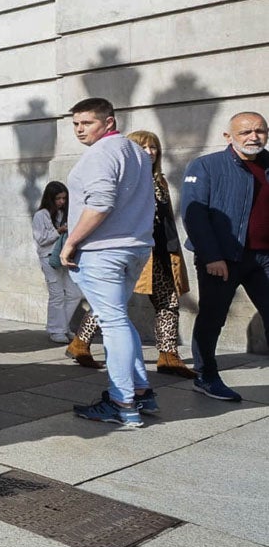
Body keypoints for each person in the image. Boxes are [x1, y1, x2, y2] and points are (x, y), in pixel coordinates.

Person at [60, 98, 156, 428]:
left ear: (109, 122)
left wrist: (71, 242)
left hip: (104, 250)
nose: (79, 130)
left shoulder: (102, 153)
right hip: (134, 248)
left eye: (86, 123)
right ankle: (141, 391)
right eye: (75, 124)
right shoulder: (139, 153)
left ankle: (122, 402)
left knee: (113, 323)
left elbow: (100, 203)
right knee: (117, 319)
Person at [67, 131, 196, 377]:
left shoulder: (160, 181)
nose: (150, 152)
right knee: (111, 301)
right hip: (132, 248)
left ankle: (168, 356)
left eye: (154, 147)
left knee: (168, 301)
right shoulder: (129, 180)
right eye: (144, 147)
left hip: (161, 250)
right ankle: (80, 343)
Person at [179, 110, 269, 403]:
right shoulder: (206, 166)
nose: (253, 137)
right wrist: (211, 256)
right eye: (245, 132)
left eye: (260, 131)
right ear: (228, 137)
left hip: (264, 258)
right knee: (212, 318)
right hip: (223, 259)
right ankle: (206, 376)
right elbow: (195, 215)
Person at [31, 181, 83, 344]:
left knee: (74, 293)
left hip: (66, 256)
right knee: (57, 294)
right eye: (58, 198)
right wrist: (59, 231)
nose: (62, 202)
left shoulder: (64, 214)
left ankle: (62, 327)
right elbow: (41, 240)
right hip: (49, 257)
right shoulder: (41, 215)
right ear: (50, 198)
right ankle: (56, 330)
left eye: (64, 198)